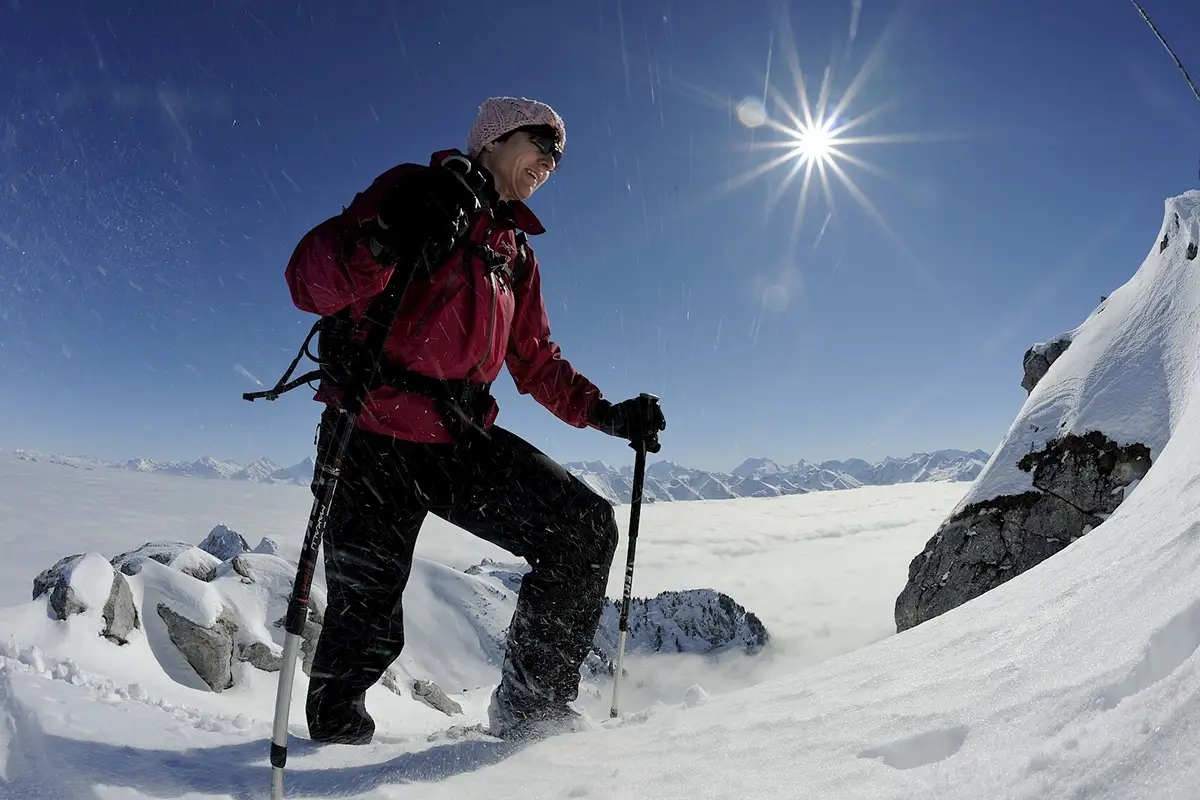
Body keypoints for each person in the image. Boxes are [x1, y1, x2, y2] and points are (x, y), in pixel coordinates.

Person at [282, 96, 667, 745]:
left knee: (581, 528)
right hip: (372, 433)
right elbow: (307, 282)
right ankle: (333, 746)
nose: (552, 160)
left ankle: (531, 708)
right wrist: (385, 235)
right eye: (541, 143)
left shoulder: (515, 252)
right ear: (493, 138)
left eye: (559, 155)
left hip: (456, 439)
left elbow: (536, 360)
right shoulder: (412, 188)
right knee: (365, 617)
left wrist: (606, 415)